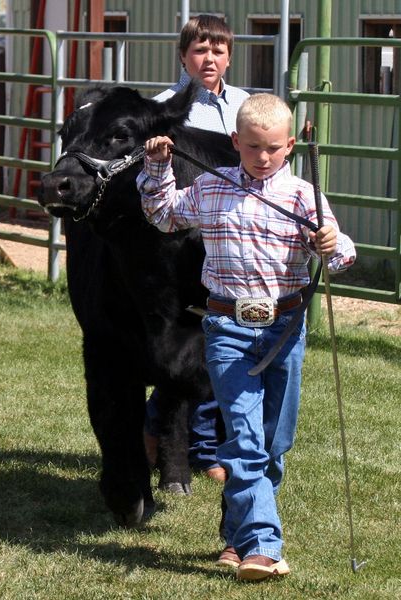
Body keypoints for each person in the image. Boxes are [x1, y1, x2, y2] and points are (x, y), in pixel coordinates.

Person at [136, 93, 356, 582]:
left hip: (284, 330)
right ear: (235, 141)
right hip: (227, 329)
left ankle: (237, 537)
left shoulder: (303, 196)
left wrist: (330, 243)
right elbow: (164, 214)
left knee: (275, 442)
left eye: (273, 149)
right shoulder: (213, 188)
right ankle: (263, 545)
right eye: (252, 147)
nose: (262, 157)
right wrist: (156, 168)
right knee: (244, 436)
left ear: (291, 146)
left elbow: (342, 256)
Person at [145, 14, 250, 482]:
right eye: (200, 50)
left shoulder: (247, 105)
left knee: (222, 339)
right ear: (183, 55)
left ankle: (206, 445)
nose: (210, 59)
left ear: (230, 55)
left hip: (231, 241)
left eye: (218, 50)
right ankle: (167, 435)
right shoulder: (163, 109)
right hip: (180, 239)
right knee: (186, 344)